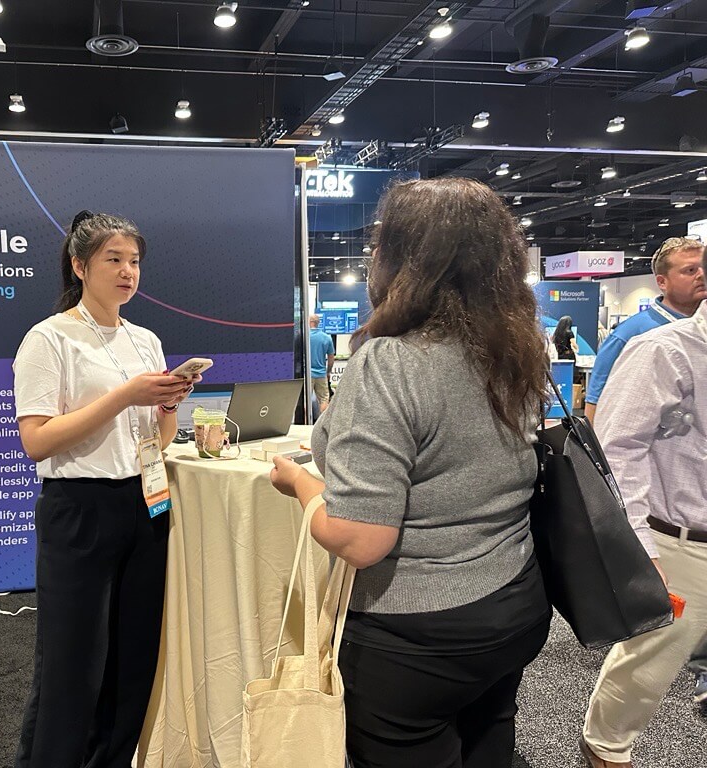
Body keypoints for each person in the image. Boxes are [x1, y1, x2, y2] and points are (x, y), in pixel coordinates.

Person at [270, 178, 551, 768]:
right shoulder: (515, 347)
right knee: (489, 740)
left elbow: (360, 539)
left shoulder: (393, 360)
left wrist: (300, 483)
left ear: (403, 260)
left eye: (381, 244)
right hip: (515, 598)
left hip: (415, 633)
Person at [11, 211, 195, 768]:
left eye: (134, 261)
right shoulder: (50, 338)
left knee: (132, 660)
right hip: (80, 509)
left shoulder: (146, 340)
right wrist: (124, 395)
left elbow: (157, 440)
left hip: (145, 504)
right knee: (72, 666)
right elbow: (37, 442)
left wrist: (167, 402)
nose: (126, 272)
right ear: (79, 265)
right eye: (113, 259)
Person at [580, 244, 707, 768]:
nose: (697, 275)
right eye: (689, 268)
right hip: (680, 538)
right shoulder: (660, 346)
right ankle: (605, 745)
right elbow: (614, 442)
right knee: (651, 664)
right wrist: (635, 542)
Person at [584, 237, 706, 425]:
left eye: (704, 268)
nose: (701, 275)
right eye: (690, 270)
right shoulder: (630, 334)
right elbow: (595, 401)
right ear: (662, 282)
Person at [308, 314, 336, 415]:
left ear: (310, 322)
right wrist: (328, 371)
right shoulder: (327, 338)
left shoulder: (305, 337)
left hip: (308, 374)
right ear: (318, 323)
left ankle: (305, 423)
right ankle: (322, 423)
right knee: (324, 399)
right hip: (321, 373)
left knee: (306, 399)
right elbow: (331, 358)